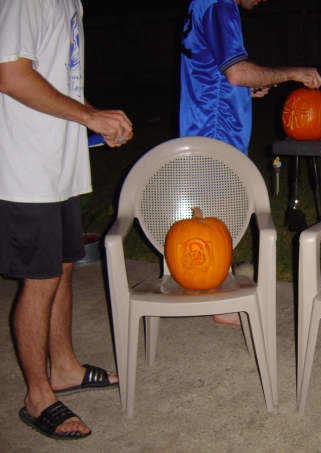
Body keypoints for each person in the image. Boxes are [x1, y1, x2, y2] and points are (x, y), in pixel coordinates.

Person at [0, 0, 133, 440]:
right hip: (25, 169)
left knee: (61, 270)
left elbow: (58, 82)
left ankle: (64, 367)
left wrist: (95, 118)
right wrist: (89, 116)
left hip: (58, 165)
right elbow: (11, 74)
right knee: (40, 281)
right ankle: (38, 396)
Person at [180, 0, 321, 326]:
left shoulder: (203, 3)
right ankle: (221, 302)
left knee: (213, 215)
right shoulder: (220, 5)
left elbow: (217, 71)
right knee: (218, 218)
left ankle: (212, 286)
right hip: (215, 130)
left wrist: (245, 90)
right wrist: (291, 73)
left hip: (203, 123)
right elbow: (237, 72)